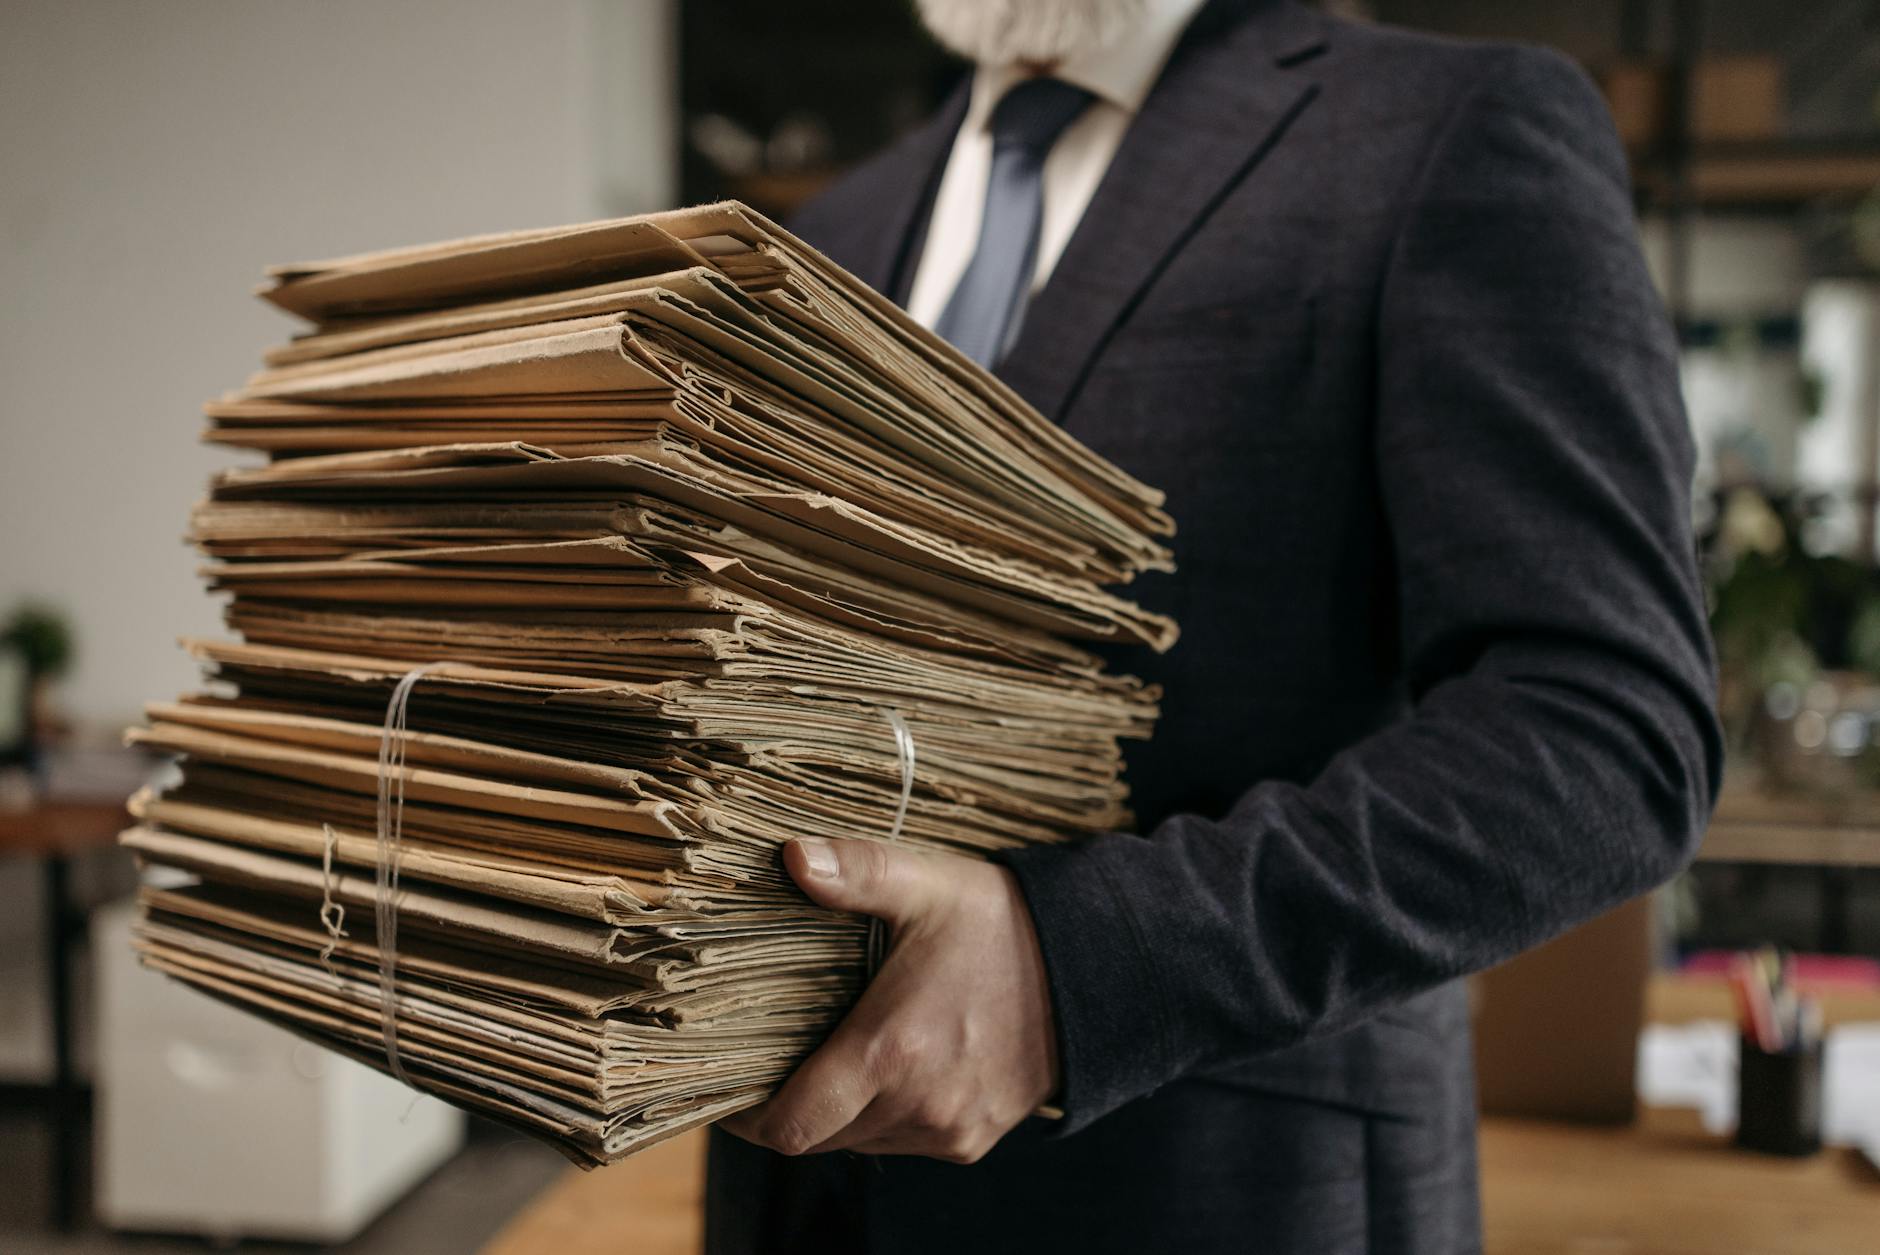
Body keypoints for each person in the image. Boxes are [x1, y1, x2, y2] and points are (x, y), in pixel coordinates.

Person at [708, 0, 1722, 1250]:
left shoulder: (1451, 128)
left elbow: (1606, 727)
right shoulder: (837, 228)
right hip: (805, 1192)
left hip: (1229, 1188)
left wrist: (1074, 969)